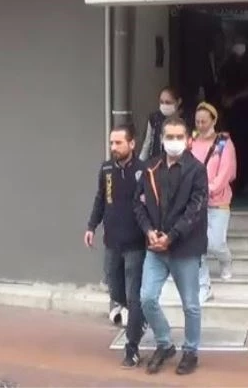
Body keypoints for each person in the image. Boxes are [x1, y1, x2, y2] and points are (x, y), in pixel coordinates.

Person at [135, 117, 208, 376]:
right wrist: (148, 231)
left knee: (190, 305)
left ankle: (190, 351)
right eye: (169, 137)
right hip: (155, 247)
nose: (174, 141)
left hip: (184, 248)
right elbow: (138, 203)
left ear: (188, 140)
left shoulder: (197, 170)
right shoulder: (151, 167)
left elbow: (195, 209)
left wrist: (172, 236)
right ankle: (165, 343)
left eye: (179, 137)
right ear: (162, 139)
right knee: (147, 298)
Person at [84, 124, 147, 368]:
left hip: (135, 244)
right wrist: (92, 226)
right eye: (112, 142)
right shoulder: (107, 169)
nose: (114, 147)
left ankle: (132, 349)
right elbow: (100, 198)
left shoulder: (143, 170)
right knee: (115, 292)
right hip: (112, 242)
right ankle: (140, 319)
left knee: (133, 296)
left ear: (132, 144)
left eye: (119, 143)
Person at [190, 102, 237, 303]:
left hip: (218, 200)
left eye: (204, 121)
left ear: (213, 121)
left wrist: (210, 188)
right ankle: (204, 283)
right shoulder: (190, 142)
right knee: (198, 242)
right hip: (194, 201)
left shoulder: (224, 143)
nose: (201, 125)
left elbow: (226, 172)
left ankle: (226, 261)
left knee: (216, 243)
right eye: (197, 121)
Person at [219, 37, 248, 194]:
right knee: (232, 146)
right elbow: (222, 82)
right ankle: (234, 181)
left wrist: (235, 97)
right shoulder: (228, 63)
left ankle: (245, 180)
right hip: (232, 114)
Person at [139, 87, 188, 162]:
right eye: (161, 102)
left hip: (180, 161)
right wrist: (140, 162)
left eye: (168, 102)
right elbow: (147, 143)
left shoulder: (185, 120)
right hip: (155, 160)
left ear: (178, 101)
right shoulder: (154, 118)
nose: (164, 105)